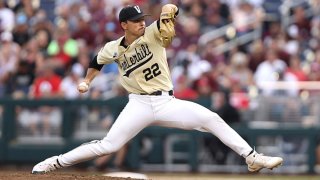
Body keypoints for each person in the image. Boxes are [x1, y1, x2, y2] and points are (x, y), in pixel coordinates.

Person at [32, 4, 283, 174]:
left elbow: (166, 33)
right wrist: (88, 80)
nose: (142, 24)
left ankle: (251, 157)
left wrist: (169, 12)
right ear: (124, 25)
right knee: (108, 145)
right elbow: (96, 61)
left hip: (167, 102)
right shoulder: (113, 48)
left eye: (143, 20)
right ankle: (55, 162)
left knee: (211, 117)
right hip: (138, 105)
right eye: (136, 21)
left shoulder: (152, 33)